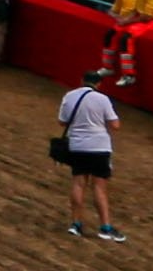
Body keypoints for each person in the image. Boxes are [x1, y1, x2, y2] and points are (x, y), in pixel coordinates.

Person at [50, 65, 124, 244]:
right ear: (98, 83)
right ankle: (105, 227)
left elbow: (62, 122)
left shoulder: (70, 96)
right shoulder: (102, 99)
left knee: (78, 183)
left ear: (82, 81)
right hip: (99, 147)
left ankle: (75, 224)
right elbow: (115, 125)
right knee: (99, 187)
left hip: (77, 145)